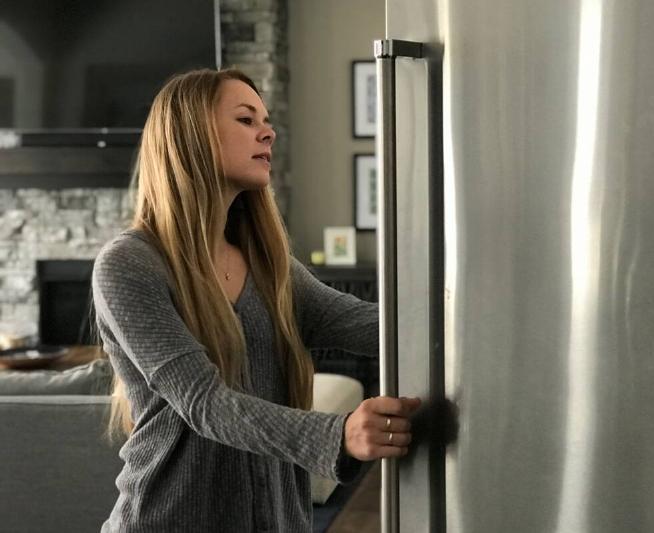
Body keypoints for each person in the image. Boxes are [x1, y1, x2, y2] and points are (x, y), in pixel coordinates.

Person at [91, 68, 421, 533]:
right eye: (246, 120)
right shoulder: (129, 264)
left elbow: (367, 326)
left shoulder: (265, 261)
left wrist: (464, 315)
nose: (268, 131)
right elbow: (204, 402)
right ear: (190, 136)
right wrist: (338, 434)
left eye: (265, 120)